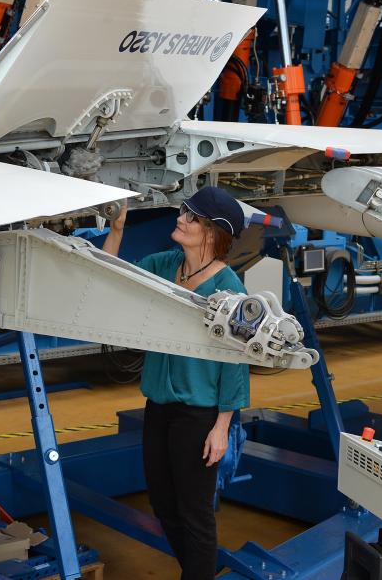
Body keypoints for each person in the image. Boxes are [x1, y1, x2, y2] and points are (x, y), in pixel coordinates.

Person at [102, 186, 250, 580]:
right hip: (160, 406)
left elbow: (236, 364)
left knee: (194, 511)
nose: (181, 218)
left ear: (213, 233)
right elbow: (109, 278)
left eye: (192, 217)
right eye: (184, 211)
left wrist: (222, 427)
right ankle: (201, 571)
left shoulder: (230, 289)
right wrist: (116, 231)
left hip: (199, 414)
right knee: (164, 504)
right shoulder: (167, 265)